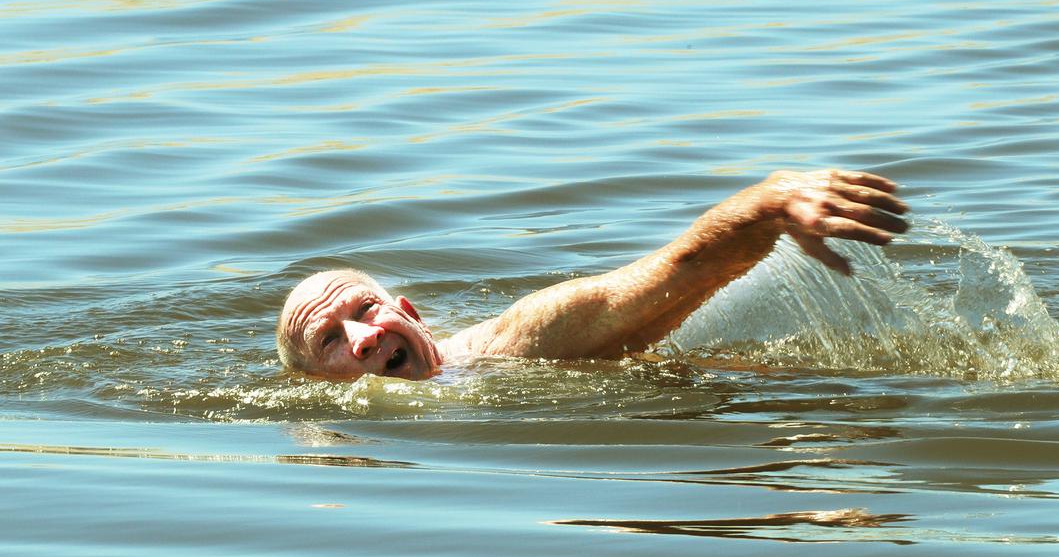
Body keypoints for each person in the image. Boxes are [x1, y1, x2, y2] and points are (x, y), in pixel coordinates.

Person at [276, 168, 909, 380]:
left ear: (408, 313)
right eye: (329, 340)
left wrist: (769, 203)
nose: (362, 335)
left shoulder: (510, 344)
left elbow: (672, 272)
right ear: (310, 384)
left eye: (363, 309)